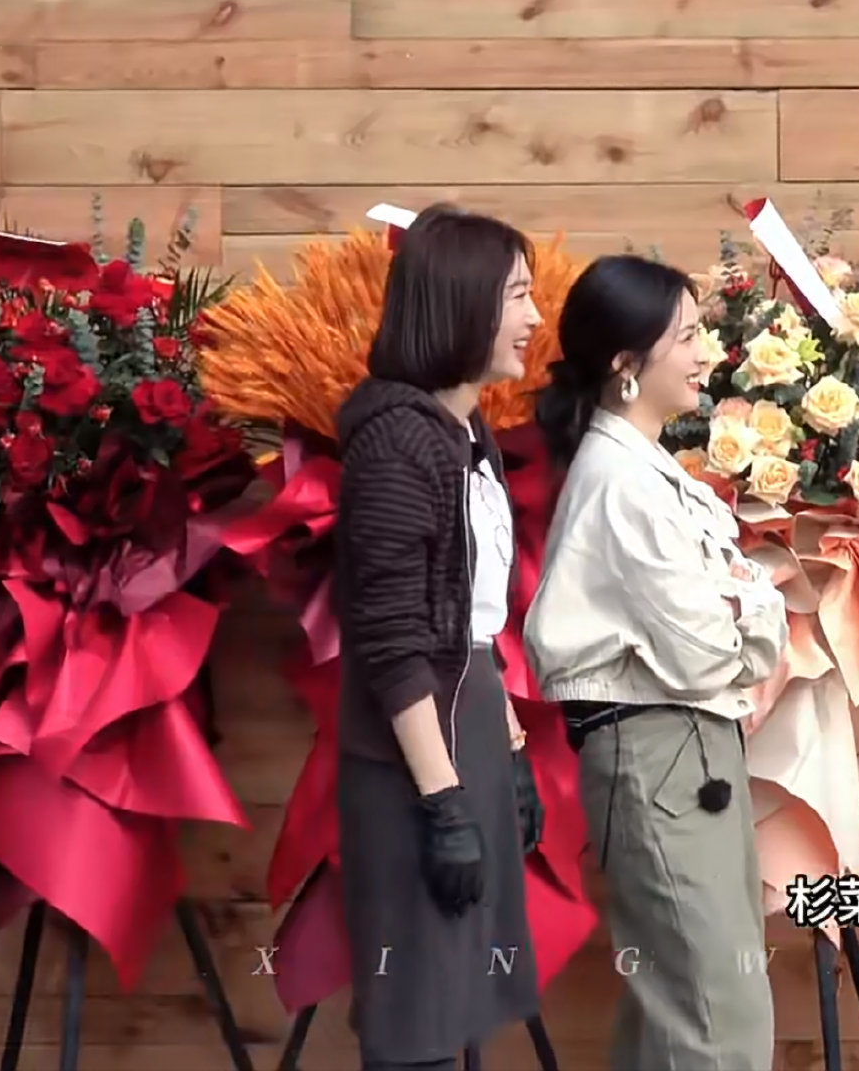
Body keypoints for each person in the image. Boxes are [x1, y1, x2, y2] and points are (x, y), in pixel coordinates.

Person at [524, 254, 788, 1070]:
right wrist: (747, 603)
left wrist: (743, 608)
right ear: (625, 363)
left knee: (687, 1009)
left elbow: (744, 630)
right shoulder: (622, 483)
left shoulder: (646, 469)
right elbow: (708, 651)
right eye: (688, 336)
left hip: (684, 751)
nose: (708, 352)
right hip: (659, 751)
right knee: (715, 1018)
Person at [331, 204, 549, 1070]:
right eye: (518, 296)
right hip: (413, 761)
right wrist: (442, 802)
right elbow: (392, 641)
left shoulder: (465, 433)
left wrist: (510, 748)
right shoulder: (395, 443)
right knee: (416, 1017)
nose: (535, 317)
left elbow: (471, 622)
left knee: (459, 1000)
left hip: (470, 733)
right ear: (462, 302)